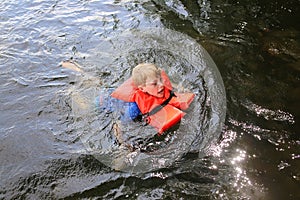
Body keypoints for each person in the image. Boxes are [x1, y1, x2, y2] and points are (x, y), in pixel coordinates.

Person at [111, 63, 195, 134]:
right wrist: (123, 145)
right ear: (142, 89)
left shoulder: (159, 85)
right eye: (154, 84)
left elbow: (169, 84)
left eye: (161, 80)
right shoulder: (133, 109)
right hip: (105, 101)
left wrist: (181, 88)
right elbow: (118, 124)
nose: (161, 85)